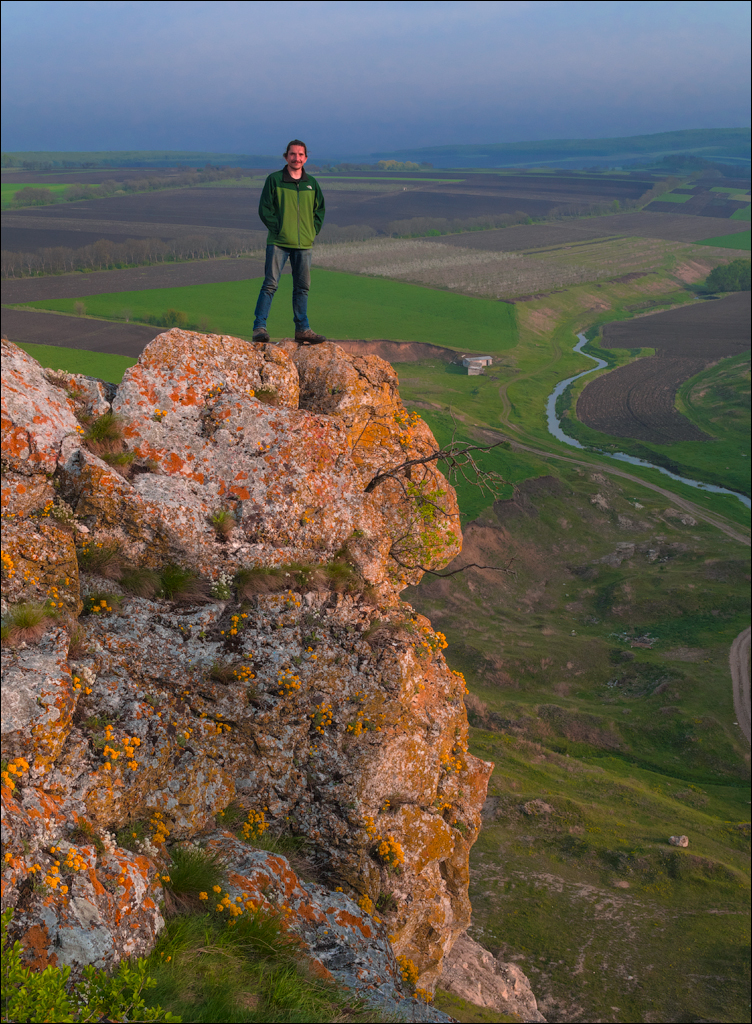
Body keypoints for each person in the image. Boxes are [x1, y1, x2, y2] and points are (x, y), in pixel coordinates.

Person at [252, 140, 326, 344]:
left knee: (302, 287)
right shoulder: (274, 180)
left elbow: (320, 210)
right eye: (293, 154)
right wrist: (279, 229)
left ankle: (303, 329)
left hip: (304, 245)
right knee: (270, 284)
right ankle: (259, 327)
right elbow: (264, 209)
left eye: (301, 155)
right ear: (286, 157)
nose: (297, 158)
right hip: (279, 242)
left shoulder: (311, 183)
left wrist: (312, 231)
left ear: (306, 158)